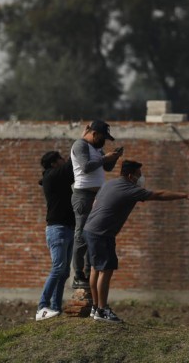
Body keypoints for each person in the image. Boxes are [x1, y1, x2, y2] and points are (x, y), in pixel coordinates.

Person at [84, 160, 189, 323]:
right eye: (139, 175)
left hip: (90, 229)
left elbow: (96, 203)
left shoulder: (109, 184)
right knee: (106, 269)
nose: (141, 178)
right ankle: (102, 310)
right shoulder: (131, 189)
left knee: (96, 268)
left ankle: (95, 308)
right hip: (102, 233)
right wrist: (185, 195)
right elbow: (158, 195)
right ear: (130, 176)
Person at [70, 120, 123, 289]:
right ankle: (78, 275)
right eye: (102, 137)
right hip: (83, 196)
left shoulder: (96, 148)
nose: (104, 142)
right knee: (81, 236)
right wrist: (104, 158)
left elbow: (106, 168)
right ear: (94, 134)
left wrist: (113, 158)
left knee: (92, 234)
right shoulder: (80, 145)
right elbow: (86, 167)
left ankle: (87, 272)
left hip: (97, 196)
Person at [35, 151, 76, 321]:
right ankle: (42, 307)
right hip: (57, 229)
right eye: (60, 158)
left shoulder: (59, 178)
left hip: (67, 228)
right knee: (58, 268)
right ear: (53, 163)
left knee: (64, 272)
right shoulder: (51, 176)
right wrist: (82, 143)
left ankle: (55, 308)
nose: (63, 160)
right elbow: (71, 165)